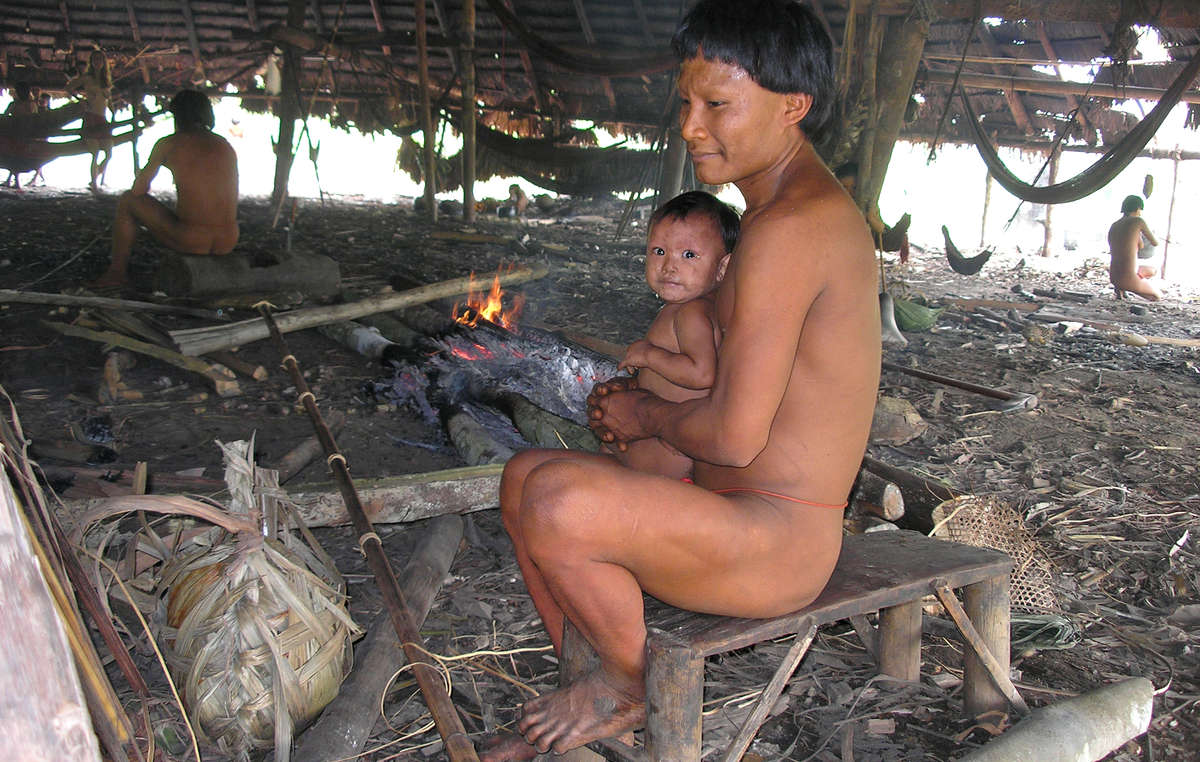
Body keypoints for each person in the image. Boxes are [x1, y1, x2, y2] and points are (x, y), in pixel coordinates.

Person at [483, 1, 880, 758]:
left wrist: (645, 419)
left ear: (792, 106)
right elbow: (731, 389)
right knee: (524, 476)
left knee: (560, 504)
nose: (692, 126)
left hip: (778, 543)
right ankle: (594, 666)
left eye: (717, 105)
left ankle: (626, 685)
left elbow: (734, 436)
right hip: (728, 505)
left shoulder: (794, 227)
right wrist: (642, 409)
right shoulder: (771, 216)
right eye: (687, 103)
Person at [615, 190, 738, 480]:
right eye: (659, 251)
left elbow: (701, 373)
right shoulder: (697, 307)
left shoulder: (690, 313)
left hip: (667, 454)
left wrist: (648, 355)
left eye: (689, 255)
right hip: (668, 444)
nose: (669, 266)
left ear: (723, 267)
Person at [90, 89, 239, 289]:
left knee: (127, 201)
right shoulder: (225, 145)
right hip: (228, 241)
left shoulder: (168, 144)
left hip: (192, 240)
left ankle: (116, 273)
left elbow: (138, 191)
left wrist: (147, 169)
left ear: (178, 116)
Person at [66, 49, 114, 191]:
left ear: (103, 62)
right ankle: (94, 184)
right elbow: (69, 87)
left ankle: (96, 176)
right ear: (91, 62)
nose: (97, 62)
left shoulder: (106, 80)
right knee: (95, 153)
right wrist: (80, 101)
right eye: (95, 59)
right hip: (91, 117)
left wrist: (113, 111)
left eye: (100, 59)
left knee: (109, 152)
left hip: (103, 118)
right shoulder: (86, 78)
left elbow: (109, 100)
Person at [1108, 194, 1161, 301]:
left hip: (1113, 277)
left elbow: (1139, 245)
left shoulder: (1114, 225)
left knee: (1150, 270)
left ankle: (1121, 289)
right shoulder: (1138, 221)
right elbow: (1155, 243)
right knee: (1157, 297)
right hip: (1128, 278)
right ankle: (1130, 285)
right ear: (1137, 209)